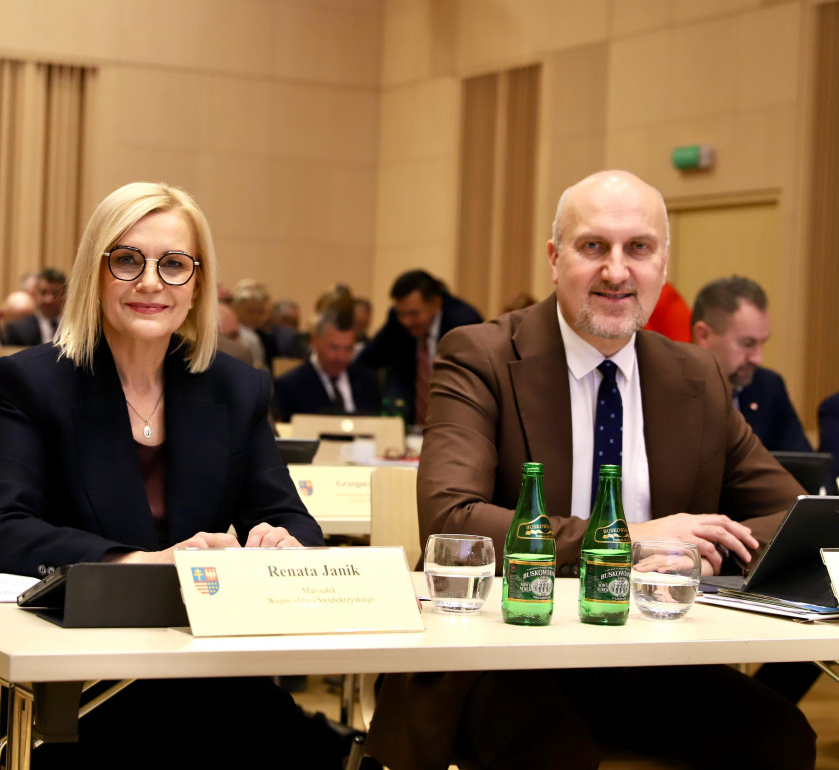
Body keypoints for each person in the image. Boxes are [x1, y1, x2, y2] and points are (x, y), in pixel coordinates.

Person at [363, 171, 814, 770]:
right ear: (555, 259)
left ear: (663, 264)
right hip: (500, 652)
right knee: (554, 752)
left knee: (779, 736)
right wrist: (629, 541)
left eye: (639, 248)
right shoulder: (481, 356)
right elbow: (454, 520)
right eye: (593, 246)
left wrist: (697, 553)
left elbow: (794, 519)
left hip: (644, 654)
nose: (616, 271)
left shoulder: (696, 376)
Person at [0, 182, 348, 768]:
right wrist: (142, 563)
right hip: (62, 677)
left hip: (195, 667)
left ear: (197, 285)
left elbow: (292, 518)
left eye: (174, 265)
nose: (150, 283)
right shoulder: (32, 381)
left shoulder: (236, 388)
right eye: (127, 260)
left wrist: (281, 545)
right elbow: (1, 530)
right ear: (95, 272)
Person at [691, 275, 812, 452]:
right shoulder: (668, 388)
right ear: (704, 335)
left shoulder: (768, 387)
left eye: (762, 343)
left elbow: (803, 463)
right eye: (748, 344)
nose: (757, 359)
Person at [355, 269, 481, 425]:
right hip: (408, 420)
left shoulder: (464, 324)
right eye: (401, 314)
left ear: (436, 303)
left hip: (455, 417)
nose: (406, 321)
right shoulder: (398, 319)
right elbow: (368, 360)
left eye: (414, 314)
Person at [272, 306, 380, 422]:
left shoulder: (367, 381)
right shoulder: (290, 386)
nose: (341, 357)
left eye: (348, 349)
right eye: (334, 348)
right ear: (314, 341)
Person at [4, 266, 66, 346]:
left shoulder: (76, 328)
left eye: (55, 293)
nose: (49, 299)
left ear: (64, 295)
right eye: (43, 293)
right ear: (35, 294)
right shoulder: (18, 329)